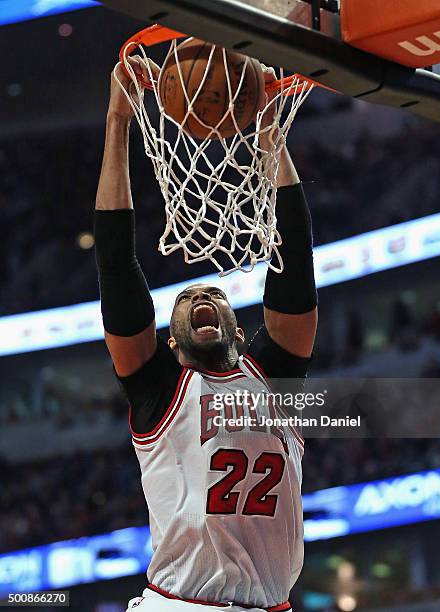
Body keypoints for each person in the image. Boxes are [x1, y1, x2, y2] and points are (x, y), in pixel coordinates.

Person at [94, 57, 318, 612]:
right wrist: (117, 125)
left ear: (241, 329)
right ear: (169, 343)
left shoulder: (275, 377)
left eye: (215, 294)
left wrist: (270, 138)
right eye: (186, 299)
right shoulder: (155, 389)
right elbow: (118, 268)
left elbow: (295, 267)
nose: (201, 296)